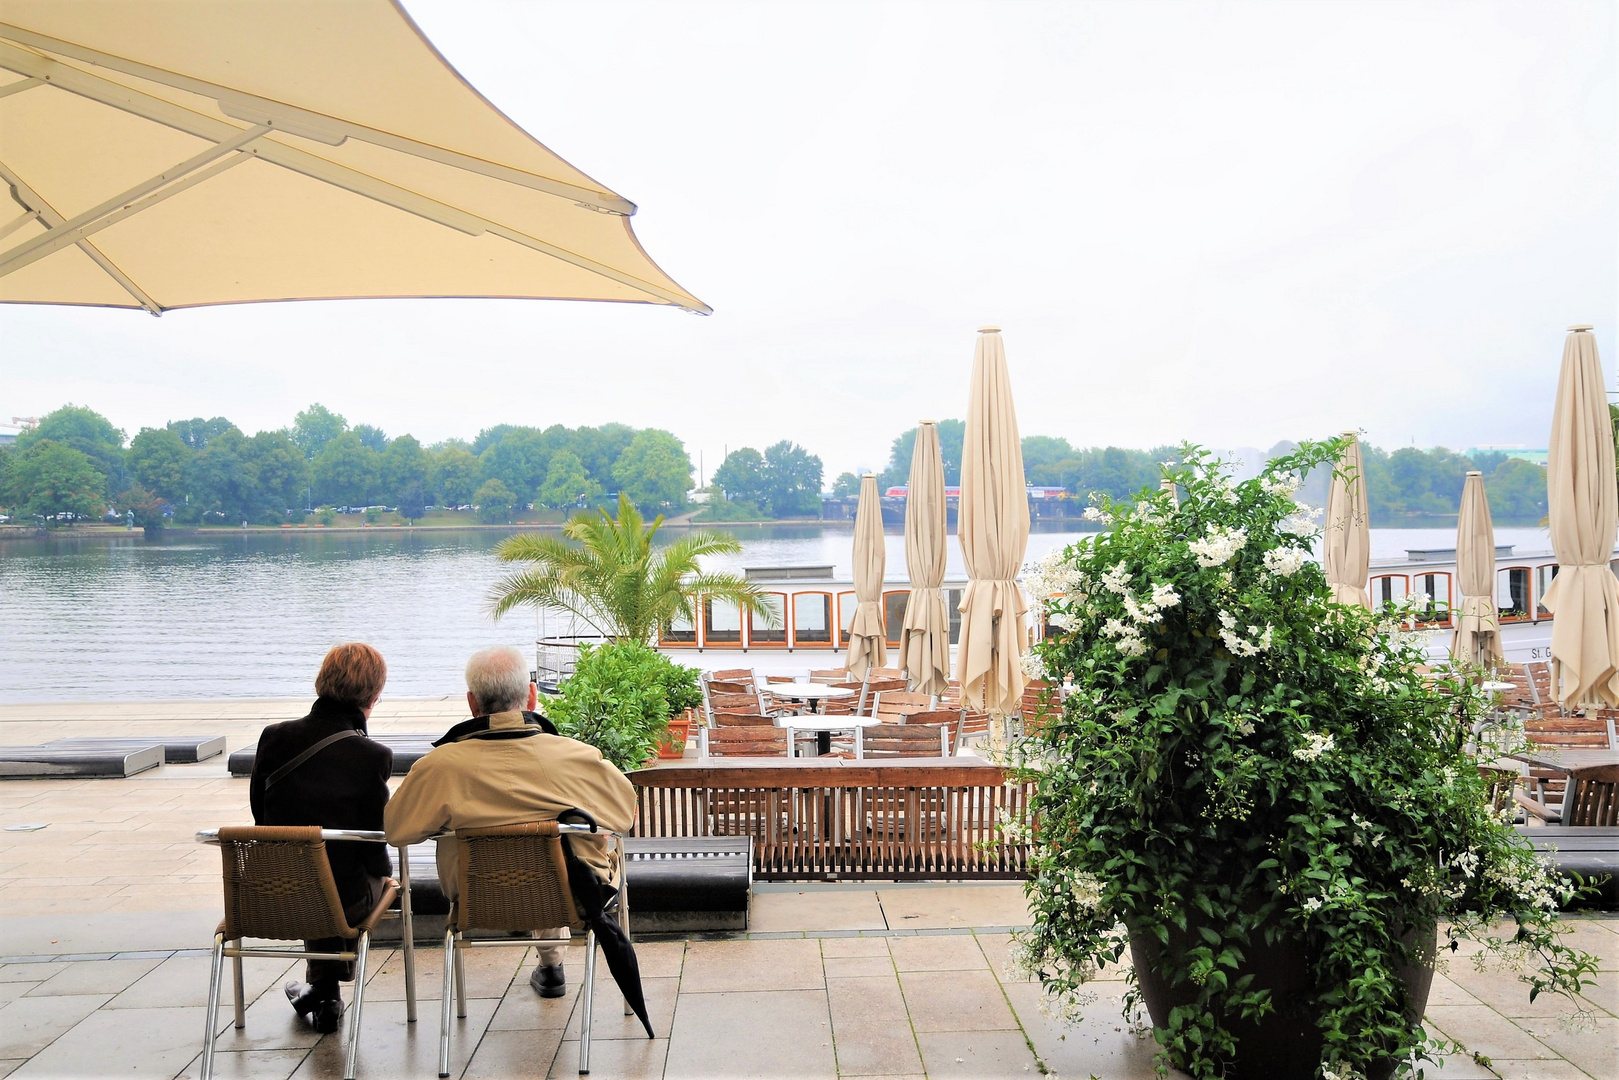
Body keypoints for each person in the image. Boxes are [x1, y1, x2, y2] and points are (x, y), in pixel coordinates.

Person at [385, 645, 636, 999]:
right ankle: (552, 964)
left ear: (472, 703)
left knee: (536, 858)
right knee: (561, 855)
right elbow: (624, 814)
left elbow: (396, 830)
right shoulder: (575, 757)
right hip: (570, 899)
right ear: (532, 696)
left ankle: (549, 964)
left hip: (475, 898)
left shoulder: (438, 767)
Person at [249, 643, 393, 1033]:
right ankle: (326, 992)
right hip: (342, 902)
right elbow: (374, 844)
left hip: (275, 894)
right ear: (375, 695)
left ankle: (323, 989)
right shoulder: (372, 755)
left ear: (320, 683)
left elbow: (260, 815)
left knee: (315, 871)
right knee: (353, 879)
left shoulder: (273, 737)